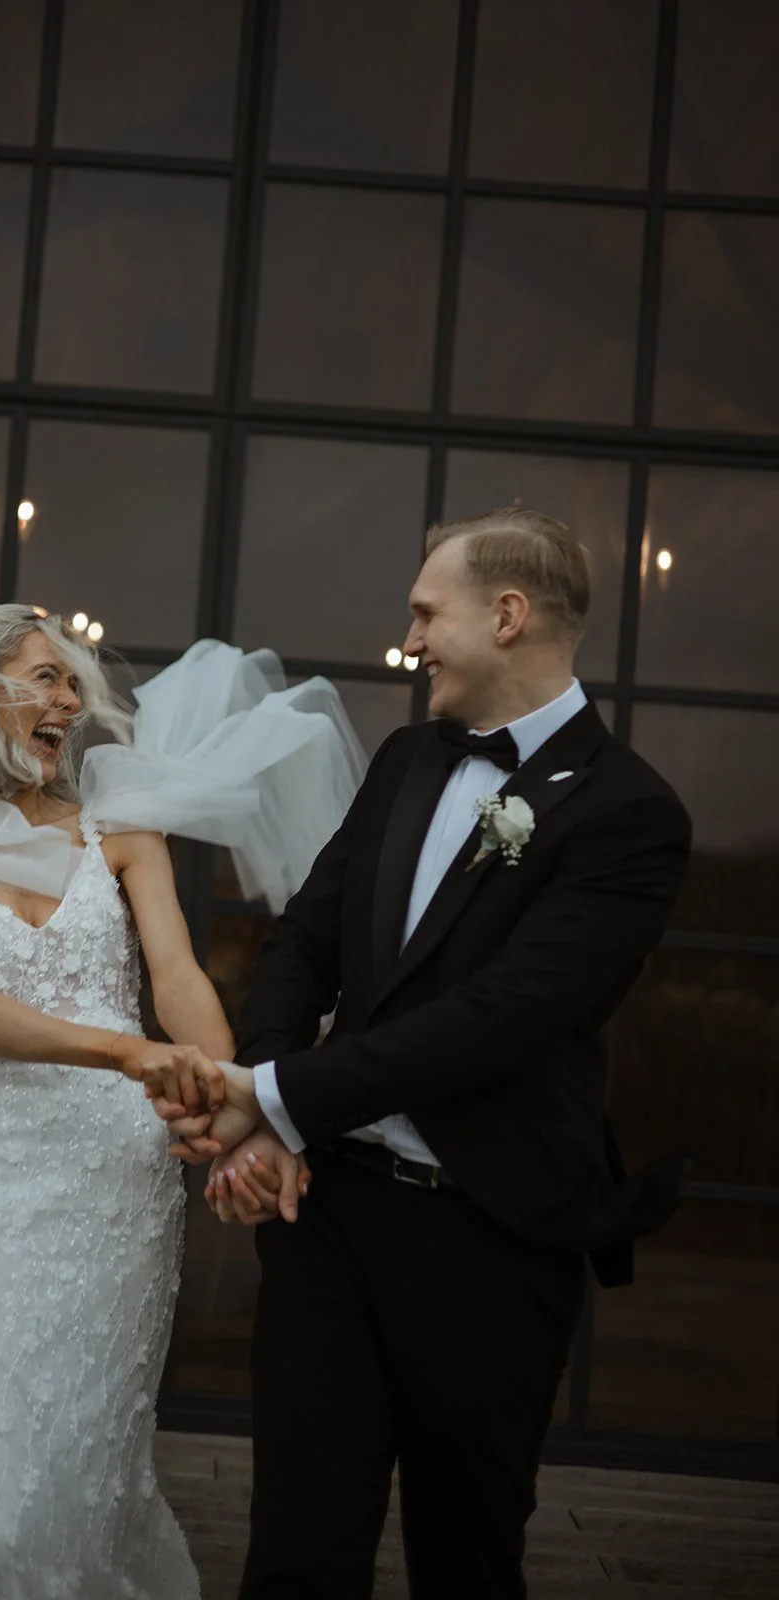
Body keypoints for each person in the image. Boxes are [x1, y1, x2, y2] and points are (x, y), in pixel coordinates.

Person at [147, 508, 692, 1600]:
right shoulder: (404, 760)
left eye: (425, 612)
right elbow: (307, 937)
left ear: (508, 613)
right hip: (331, 1225)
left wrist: (270, 1096)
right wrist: (276, 1105)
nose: (409, 639)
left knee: (466, 1557)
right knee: (297, 1555)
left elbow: (503, 1015)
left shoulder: (634, 815)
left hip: (488, 1239)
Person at [0, 604, 363, 1599]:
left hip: (116, 1188)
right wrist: (134, 1053)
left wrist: (235, 1118)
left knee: (89, 1471)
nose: (69, 699)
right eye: (44, 676)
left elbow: (177, 980)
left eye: (71, 680)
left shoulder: (121, 834)